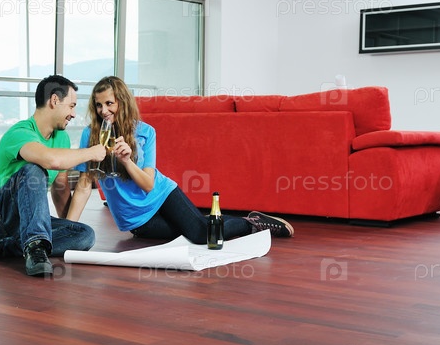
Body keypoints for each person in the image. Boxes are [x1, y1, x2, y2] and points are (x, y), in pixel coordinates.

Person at [66, 76, 293, 244]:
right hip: (137, 221)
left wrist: (126, 161)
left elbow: (148, 184)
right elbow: (84, 186)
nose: (103, 110)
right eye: (98, 105)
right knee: (193, 230)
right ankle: (205, 220)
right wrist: (69, 230)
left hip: (162, 195)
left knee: (201, 235)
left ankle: (252, 223)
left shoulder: (145, 132)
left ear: (122, 102)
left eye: (109, 103)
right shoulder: (90, 135)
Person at [0, 75, 107, 277]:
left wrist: (69, 227)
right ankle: (35, 247)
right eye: (71, 106)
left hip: (26, 218)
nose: (73, 114)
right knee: (34, 170)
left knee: (84, 235)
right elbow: (51, 160)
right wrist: (91, 152)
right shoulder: (20, 132)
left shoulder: (61, 138)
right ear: (54, 100)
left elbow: (60, 187)